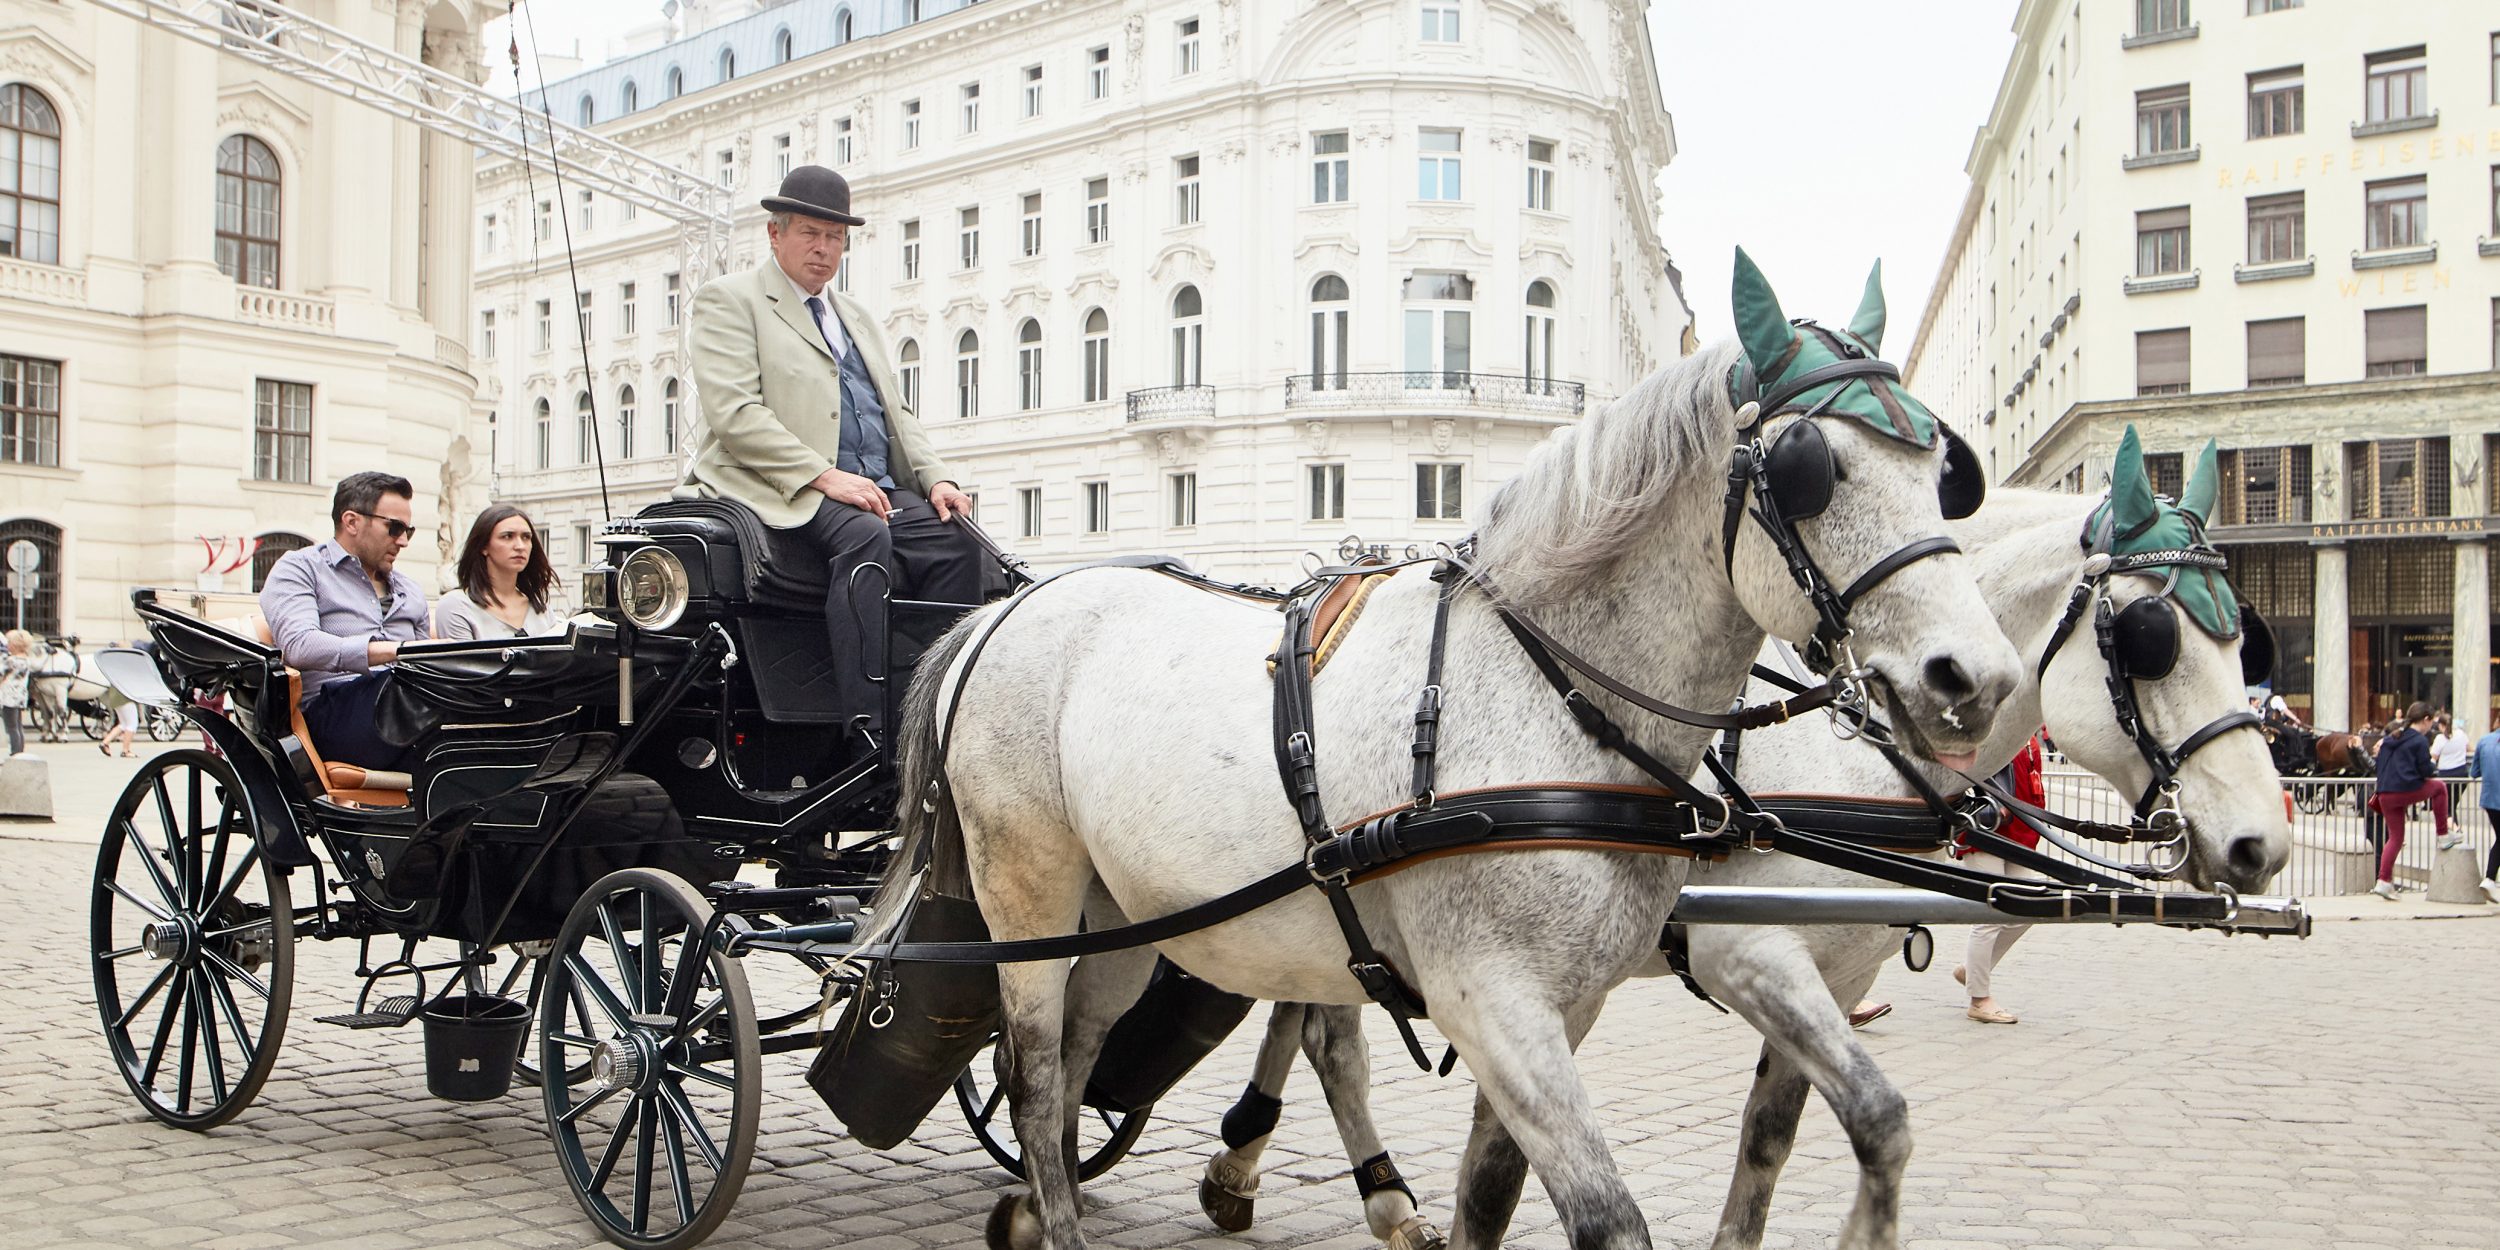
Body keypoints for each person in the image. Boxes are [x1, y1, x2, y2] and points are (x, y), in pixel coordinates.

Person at [678, 165, 982, 740]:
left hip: (874, 485)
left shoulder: (856, 316)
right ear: (776, 234)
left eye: (835, 237)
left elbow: (896, 413)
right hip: (777, 485)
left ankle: (938, 712)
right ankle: (869, 726)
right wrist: (822, 475)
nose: (823, 249)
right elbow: (737, 415)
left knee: (957, 543)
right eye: (810, 234)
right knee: (867, 537)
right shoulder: (730, 301)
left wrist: (936, 478)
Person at [258, 471, 430, 770]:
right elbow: (299, 645)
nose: (402, 541)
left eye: (408, 531)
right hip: (333, 715)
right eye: (394, 528)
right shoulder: (301, 568)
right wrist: (393, 650)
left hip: (409, 711)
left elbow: (427, 668)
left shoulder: (410, 591)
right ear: (351, 522)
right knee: (412, 690)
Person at [1953, 731, 2048, 1024]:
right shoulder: (1995, 728)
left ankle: (1972, 970)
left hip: (2018, 833)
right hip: (1986, 830)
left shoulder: (2028, 732)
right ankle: (1979, 999)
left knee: (2026, 910)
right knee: (1990, 915)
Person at [435, 504, 563, 640]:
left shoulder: (541, 608)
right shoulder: (457, 605)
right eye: (507, 536)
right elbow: (462, 661)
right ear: (484, 546)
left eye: (526, 537)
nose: (520, 546)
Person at [2368, 701, 2455, 900]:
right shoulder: (2419, 741)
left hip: (2384, 793)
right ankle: (2442, 833)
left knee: (2395, 837)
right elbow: (2425, 770)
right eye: (2430, 722)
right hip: (2403, 789)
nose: (2430, 727)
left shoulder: (2392, 738)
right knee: (2439, 788)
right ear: (2425, 720)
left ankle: (2383, 881)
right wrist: (2432, 766)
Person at [2469, 722, 2500, 905]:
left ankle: (2489, 878)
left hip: (2490, 799)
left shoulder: (2484, 741)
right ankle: (2489, 878)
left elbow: (2474, 771)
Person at [0, 629, 32, 757]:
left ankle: (15, 753)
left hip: (8, 697)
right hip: (20, 696)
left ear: (14, 645)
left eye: (8, 642)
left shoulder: (11, 661)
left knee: (11, 728)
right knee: (18, 726)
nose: (7, 645)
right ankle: (20, 752)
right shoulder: (26, 660)